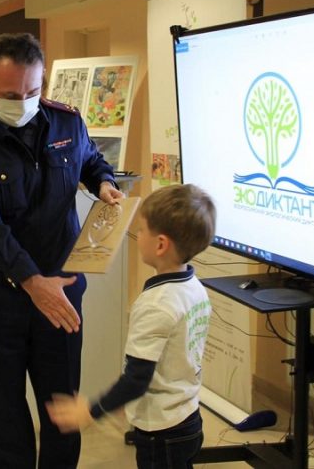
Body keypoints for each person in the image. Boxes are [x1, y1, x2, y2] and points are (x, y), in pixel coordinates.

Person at [0, 32, 124, 468]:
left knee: (62, 403)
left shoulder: (66, 121)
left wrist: (103, 182)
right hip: (0, 293)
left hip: (61, 286)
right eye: (10, 95)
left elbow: (90, 159)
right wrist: (31, 282)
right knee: (5, 405)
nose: (23, 102)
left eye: (32, 91)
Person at [46, 184, 216, 469]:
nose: (137, 235)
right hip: (188, 417)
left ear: (160, 244)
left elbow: (137, 378)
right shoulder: (194, 287)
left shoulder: (156, 305)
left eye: (142, 230)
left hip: (160, 430)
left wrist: (90, 411)